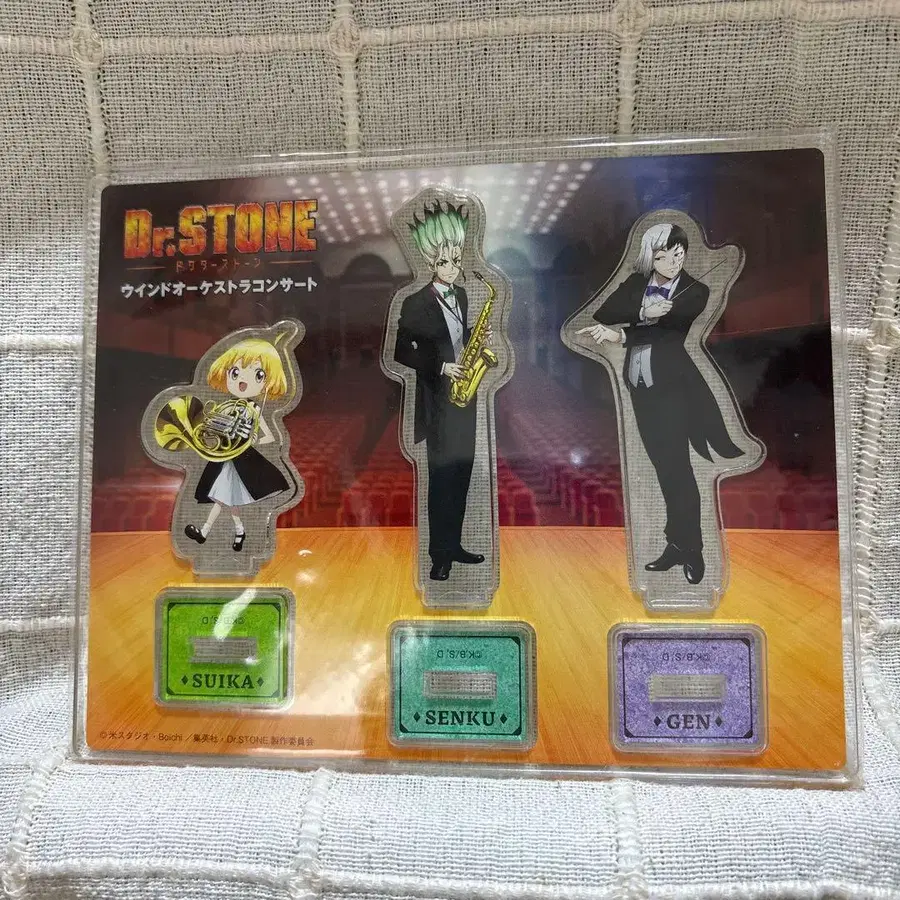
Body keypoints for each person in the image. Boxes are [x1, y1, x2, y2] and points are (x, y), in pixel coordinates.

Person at [578, 223, 744, 584]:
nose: (672, 262)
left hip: (673, 391)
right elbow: (603, 313)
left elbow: (667, 335)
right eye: (662, 255)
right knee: (665, 471)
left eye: (678, 254)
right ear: (649, 257)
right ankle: (676, 544)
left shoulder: (695, 291)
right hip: (642, 389)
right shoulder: (637, 284)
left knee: (679, 471)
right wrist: (642, 308)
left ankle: (693, 550)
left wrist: (627, 331)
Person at [394, 202, 486, 581]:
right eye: (445, 260)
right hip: (437, 401)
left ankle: (455, 544)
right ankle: (439, 555)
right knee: (441, 479)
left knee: (462, 473)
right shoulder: (415, 302)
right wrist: (441, 366)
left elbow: (457, 338)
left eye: (456, 259)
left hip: (465, 396)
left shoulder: (461, 295)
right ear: (431, 260)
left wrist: (477, 343)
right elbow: (402, 351)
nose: (452, 266)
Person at [184, 336, 293, 551]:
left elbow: (270, 437)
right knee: (225, 499)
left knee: (222, 498)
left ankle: (207, 532)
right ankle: (236, 531)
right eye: (235, 372)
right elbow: (216, 429)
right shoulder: (228, 406)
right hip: (226, 458)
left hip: (243, 459)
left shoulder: (255, 410)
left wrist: (254, 438)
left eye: (258, 375)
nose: (243, 380)